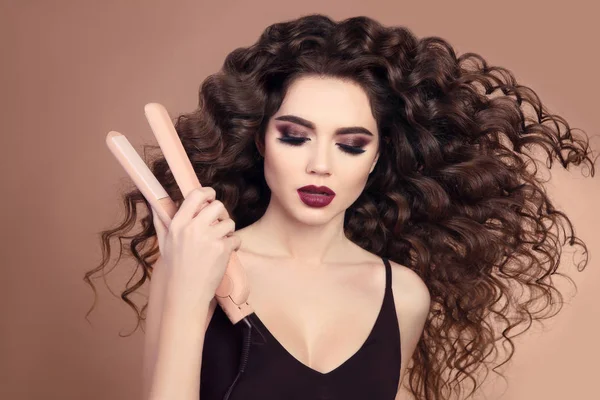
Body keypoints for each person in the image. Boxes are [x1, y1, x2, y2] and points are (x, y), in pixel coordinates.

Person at [84, 13, 597, 400]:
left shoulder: (403, 296)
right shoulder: (195, 266)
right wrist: (188, 287)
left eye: (351, 144)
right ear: (261, 141)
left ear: (376, 157)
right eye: (295, 137)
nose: (321, 166)